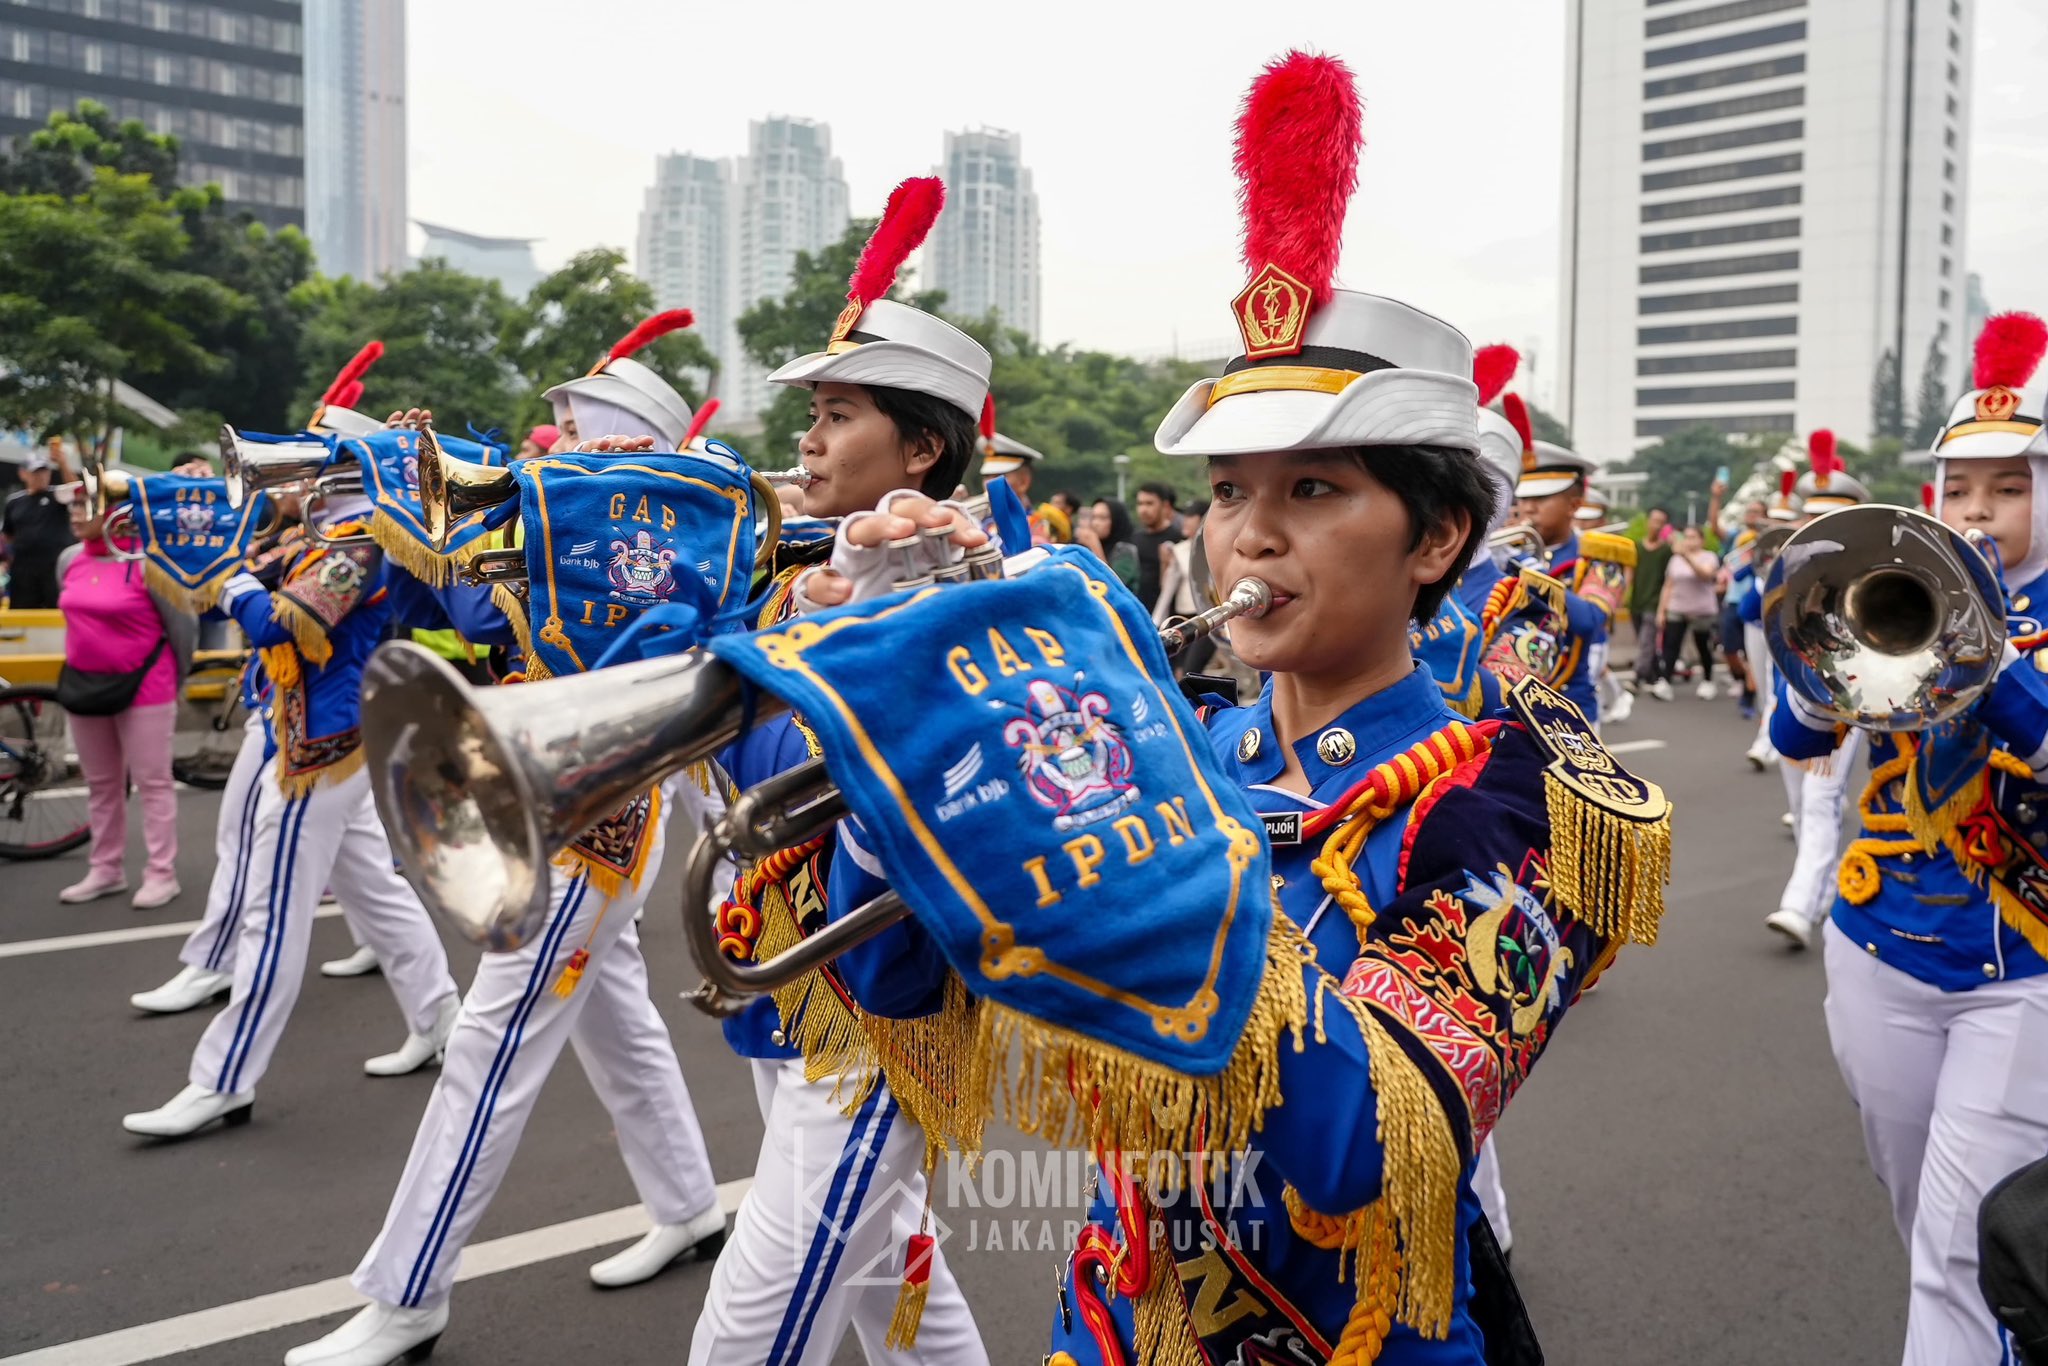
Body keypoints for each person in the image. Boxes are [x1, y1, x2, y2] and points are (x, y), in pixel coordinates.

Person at [800, 54, 1667, 1364]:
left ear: (1434, 537)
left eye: (1312, 489)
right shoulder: (1191, 743)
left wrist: (1113, 800)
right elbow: (896, 985)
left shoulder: (1514, 794)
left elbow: (1354, 1146)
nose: (1247, 535)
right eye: (1226, 491)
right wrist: (899, 730)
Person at [288, 321, 729, 1366]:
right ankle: (688, 1203)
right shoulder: (561, 516)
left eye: (574, 427)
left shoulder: (646, 537)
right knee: (613, 1019)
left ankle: (408, 1295)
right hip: (554, 792)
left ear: (625, 446)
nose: (552, 440)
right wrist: (408, 492)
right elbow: (473, 608)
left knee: (488, 1050)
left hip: (589, 816)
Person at [683, 178, 988, 1366]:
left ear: (920, 447)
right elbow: (750, 765)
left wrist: (855, 622)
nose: (806, 437)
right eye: (810, 411)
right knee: (888, 1281)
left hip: (875, 1000)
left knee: (747, 1331)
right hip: (790, 968)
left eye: (839, 412)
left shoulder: (961, 581)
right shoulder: (804, 573)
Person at [1771, 312, 2048, 1365]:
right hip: (1876, 942)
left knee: (1958, 1248)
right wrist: (1808, 636)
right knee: (1919, 1210)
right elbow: (1796, 734)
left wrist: (1988, 656)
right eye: (1960, 489)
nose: (1978, 510)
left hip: (2018, 963)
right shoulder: (1893, 581)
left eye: (2008, 486)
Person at [120, 453, 462, 1139]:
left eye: (319, 470)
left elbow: (283, 623)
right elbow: (253, 574)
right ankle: (440, 1020)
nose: (294, 485)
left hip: (322, 749)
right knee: (377, 893)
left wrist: (230, 573)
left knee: (271, 919)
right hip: (317, 737)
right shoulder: (325, 533)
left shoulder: (363, 541)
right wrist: (184, 537)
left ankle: (223, 1080)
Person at [54, 490, 196, 908]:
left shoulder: (150, 562)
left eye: (86, 507)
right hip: (85, 684)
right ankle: (106, 868)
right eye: (73, 508)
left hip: (147, 684)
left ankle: (161, 873)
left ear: (114, 513)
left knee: (152, 782)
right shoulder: (68, 559)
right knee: (100, 784)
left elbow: (184, 629)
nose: (76, 516)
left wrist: (175, 680)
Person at [1762, 433, 1871, 950]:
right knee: (1802, 801)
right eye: (1810, 519)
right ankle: (1821, 886)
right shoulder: (1791, 567)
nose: (1815, 530)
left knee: (1821, 799)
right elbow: (1747, 618)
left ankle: (1802, 903)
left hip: (1851, 700)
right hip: (1792, 700)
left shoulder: (1874, 573)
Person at [1512, 442, 1628, 725]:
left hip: (1569, 711)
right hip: (1507, 707)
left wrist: (1528, 570)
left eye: (1540, 498)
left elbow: (1591, 619)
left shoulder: (1598, 557)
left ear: (1574, 505)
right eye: (1524, 497)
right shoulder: (1509, 549)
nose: (1528, 507)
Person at [3, 446, 77, 608]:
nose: (41, 476)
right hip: (23, 569)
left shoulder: (58, 495)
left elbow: (77, 490)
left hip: (54, 567)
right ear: (23, 474)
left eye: (44, 471)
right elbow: (7, 535)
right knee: (22, 612)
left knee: (58, 610)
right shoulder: (14, 502)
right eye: (36, 472)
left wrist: (62, 463)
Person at [1655, 526, 1720, 700]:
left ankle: (1707, 680)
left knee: (1702, 645)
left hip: (1702, 610)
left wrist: (1686, 556)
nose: (1689, 541)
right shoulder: (1675, 559)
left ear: (1701, 540)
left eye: (1693, 537)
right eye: (1687, 537)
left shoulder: (1709, 557)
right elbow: (1668, 585)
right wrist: (1661, 611)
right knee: (1671, 645)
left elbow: (1705, 575)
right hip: (1677, 607)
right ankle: (1665, 681)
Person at [1131, 480, 1183, 611]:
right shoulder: (1134, 539)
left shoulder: (1177, 540)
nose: (1143, 509)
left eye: (1149, 503)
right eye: (1140, 504)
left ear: (1164, 506)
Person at [1083, 496, 1139, 590]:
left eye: (1102, 518)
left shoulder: (1125, 550)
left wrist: (1095, 545)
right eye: (1094, 517)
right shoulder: (1088, 547)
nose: (1096, 523)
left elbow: (1113, 585)